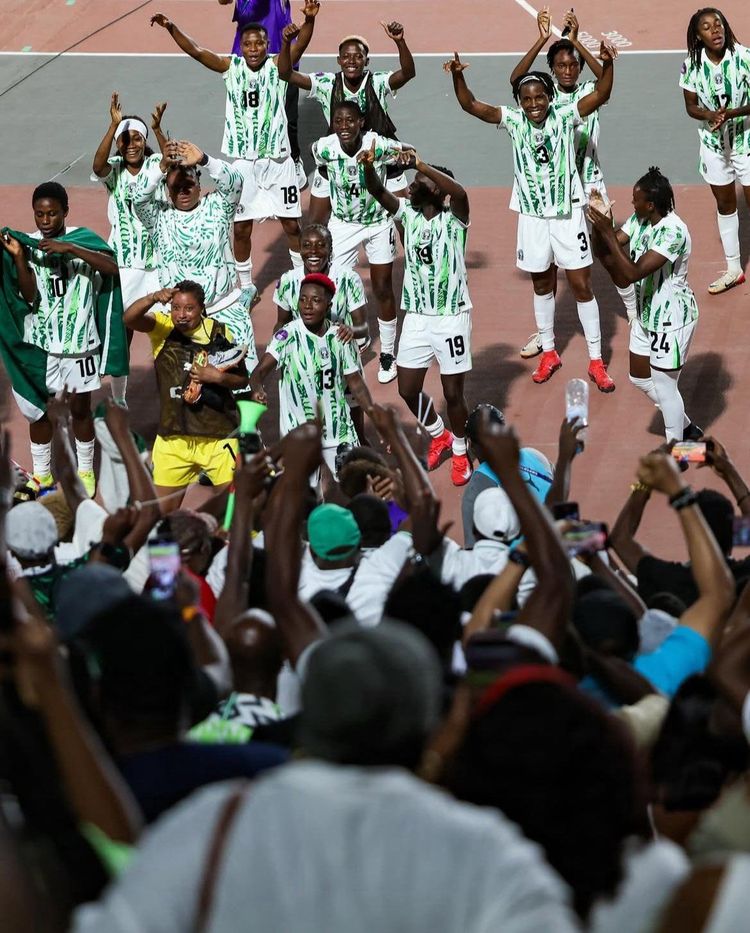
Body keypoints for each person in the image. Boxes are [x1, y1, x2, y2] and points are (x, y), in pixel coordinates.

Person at [445, 43, 617, 390]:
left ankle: (596, 359)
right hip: (532, 217)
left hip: (567, 214)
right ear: (519, 102)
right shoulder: (513, 121)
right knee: (541, 285)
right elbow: (471, 105)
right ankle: (549, 352)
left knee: (581, 285)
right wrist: (458, 78)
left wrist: (607, 62)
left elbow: (601, 93)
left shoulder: (565, 116)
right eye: (527, 99)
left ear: (550, 97)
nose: (534, 104)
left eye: (540, 97)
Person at [150, 5, 320, 284]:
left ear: (267, 44)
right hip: (243, 163)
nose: (253, 49)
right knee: (241, 228)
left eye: (259, 43)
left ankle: (304, 278)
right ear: (240, 46)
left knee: (291, 225)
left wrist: (310, 19)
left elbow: (300, 45)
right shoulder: (232, 68)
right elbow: (196, 51)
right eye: (247, 44)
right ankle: (246, 286)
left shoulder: (278, 66)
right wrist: (171, 27)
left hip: (279, 162)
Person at [511, 8, 637, 358]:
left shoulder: (587, 93)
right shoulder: (543, 98)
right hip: (556, 194)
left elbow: (604, 83)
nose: (567, 70)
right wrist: (542, 40)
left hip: (591, 185)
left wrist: (577, 42)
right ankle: (545, 333)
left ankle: (632, 308)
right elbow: (517, 80)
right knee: (546, 264)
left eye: (572, 65)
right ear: (552, 70)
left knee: (607, 249)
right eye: (561, 65)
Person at [0, 182, 128, 496]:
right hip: (42, 346)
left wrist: (69, 249)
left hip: (79, 345)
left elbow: (112, 268)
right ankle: (43, 474)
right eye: (40, 214)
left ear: (65, 212)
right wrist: (19, 258)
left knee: (80, 409)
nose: (46, 220)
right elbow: (29, 295)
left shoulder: (82, 239)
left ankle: (85, 470)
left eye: (52, 214)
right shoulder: (29, 245)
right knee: (40, 410)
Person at [361, 147, 474, 486]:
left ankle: (460, 450)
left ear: (437, 190)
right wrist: (369, 166)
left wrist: (422, 164)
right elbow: (376, 189)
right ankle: (439, 434)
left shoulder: (454, 219)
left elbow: (460, 193)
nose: (410, 186)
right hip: (417, 317)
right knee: (408, 389)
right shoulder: (407, 216)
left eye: (418, 182)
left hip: (451, 316)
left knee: (453, 394)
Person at [588, 166, 701, 443]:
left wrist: (607, 231)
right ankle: (687, 429)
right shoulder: (640, 220)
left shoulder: (673, 232)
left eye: (635, 200)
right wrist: (599, 224)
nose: (632, 203)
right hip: (645, 315)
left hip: (671, 319)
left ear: (650, 204)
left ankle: (677, 451)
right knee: (639, 377)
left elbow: (632, 273)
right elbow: (606, 250)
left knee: (665, 386)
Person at [124, 280, 249, 511]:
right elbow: (129, 319)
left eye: (189, 308)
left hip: (218, 439)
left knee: (235, 513)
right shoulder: (162, 328)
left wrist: (217, 377)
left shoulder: (220, 332)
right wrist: (152, 297)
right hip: (173, 440)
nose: (181, 315)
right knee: (159, 518)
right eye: (176, 308)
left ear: (201, 308)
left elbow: (242, 378)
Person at [132, 138, 257, 362]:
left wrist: (205, 160)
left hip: (225, 311)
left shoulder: (218, 206)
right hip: (183, 322)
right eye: (176, 187)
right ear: (167, 191)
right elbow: (138, 198)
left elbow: (236, 182)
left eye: (188, 184)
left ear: (199, 184)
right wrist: (161, 166)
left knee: (242, 378)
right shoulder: (159, 217)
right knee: (188, 383)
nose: (183, 191)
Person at [310, 101, 403, 383]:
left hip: (377, 223)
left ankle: (387, 353)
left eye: (350, 120)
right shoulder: (323, 148)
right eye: (338, 121)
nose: (344, 126)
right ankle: (347, 338)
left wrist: (397, 160)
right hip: (343, 224)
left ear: (361, 122)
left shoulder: (378, 145)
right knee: (333, 285)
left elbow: (407, 153)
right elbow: (322, 172)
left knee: (382, 287)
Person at [250, 273, 373, 481]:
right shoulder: (287, 336)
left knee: (360, 485)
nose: (307, 306)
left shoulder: (340, 337)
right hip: (300, 435)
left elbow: (356, 384)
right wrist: (257, 388)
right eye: (303, 299)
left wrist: (377, 417)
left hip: (339, 432)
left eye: (316, 300)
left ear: (328, 305)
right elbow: (259, 372)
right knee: (304, 496)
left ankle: (390, 506)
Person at [278, 21, 415, 200]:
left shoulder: (378, 81)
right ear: (339, 60)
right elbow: (285, 74)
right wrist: (286, 42)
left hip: (380, 153)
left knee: (400, 211)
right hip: (339, 153)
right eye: (346, 56)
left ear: (367, 61)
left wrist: (400, 41)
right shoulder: (327, 83)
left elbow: (408, 73)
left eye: (358, 56)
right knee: (321, 213)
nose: (351, 61)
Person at [91, 93, 168, 405]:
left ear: (144, 140)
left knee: (164, 331)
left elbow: (172, 163)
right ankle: (119, 398)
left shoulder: (154, 164)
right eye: (125, 140)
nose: (131, 144)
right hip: (124, 264)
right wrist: (113, 126)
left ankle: (170, 396)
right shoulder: (115, 170)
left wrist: (159, 130)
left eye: (137, 138)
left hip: (158, 263)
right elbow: (97, 166)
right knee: (123, 331)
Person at [274, 223, 370, 442]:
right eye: (307, 245)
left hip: (343, 363)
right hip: (303, 365)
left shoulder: (348, 278)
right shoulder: (288, 281)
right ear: (299, 249)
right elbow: (281, 323)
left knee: (356, 434)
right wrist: (280, 347)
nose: (314, 252)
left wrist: (351, 331)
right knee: (305, 435)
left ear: (330, 248)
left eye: (321, 245)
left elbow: (363, 327)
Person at [680, 7, 750, 294]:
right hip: (713, 145)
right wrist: (709, 115)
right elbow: (690, 106)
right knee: (725, 204)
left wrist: (732, 114)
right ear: (698, 36)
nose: (715, 30)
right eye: (707, 27)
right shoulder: (691, 64)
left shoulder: (744, 57)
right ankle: (734, 269)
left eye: (718, 24)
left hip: (745, 141)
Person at [217, 0, 306, 188]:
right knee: (247, 115)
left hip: (281, 54)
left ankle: (294, 159)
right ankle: (249, 162)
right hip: (246, 58)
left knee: (288, 117)